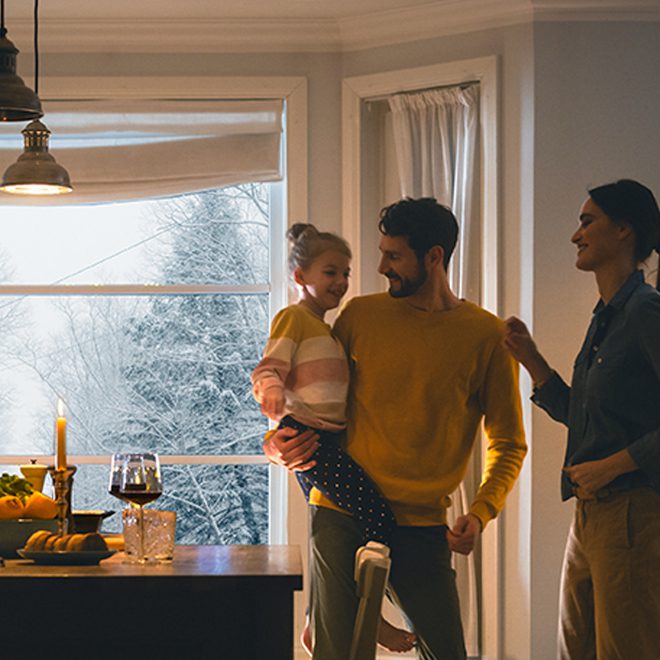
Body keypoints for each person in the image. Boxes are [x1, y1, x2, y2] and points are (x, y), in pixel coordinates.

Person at [263, 198, 527, 659]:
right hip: (341, 512)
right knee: (336, 653)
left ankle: (320, 618)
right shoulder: (359, 318)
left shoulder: (485, 336)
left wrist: (482, 510)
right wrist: (274, 444)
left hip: (423, 526)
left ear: (434, 257)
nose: (381, 266)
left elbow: (507, 441)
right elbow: (309, 395)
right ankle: (318, 621)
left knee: (447, 653)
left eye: (394, 255)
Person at [504, 179, 660, 659]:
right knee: (576, 650)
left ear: (624, 230)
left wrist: (615, 465)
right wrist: (532, 361)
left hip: (632, 513)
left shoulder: (645, 311)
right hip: (589, 515)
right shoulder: (605, 318)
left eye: (587, 221)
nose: (576, 234)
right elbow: (589, 417)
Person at [252, 223, 415, 654]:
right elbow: (270, 367)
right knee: (379, 519)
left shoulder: (329, 331)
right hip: (306, 436)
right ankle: (373, 618)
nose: (341, 282)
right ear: (300, 276)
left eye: (344, 273)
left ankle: (313, 621)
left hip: (326, 440)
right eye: (330, 272)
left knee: (363, 525)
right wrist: (271, 393)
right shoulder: (294, 318)